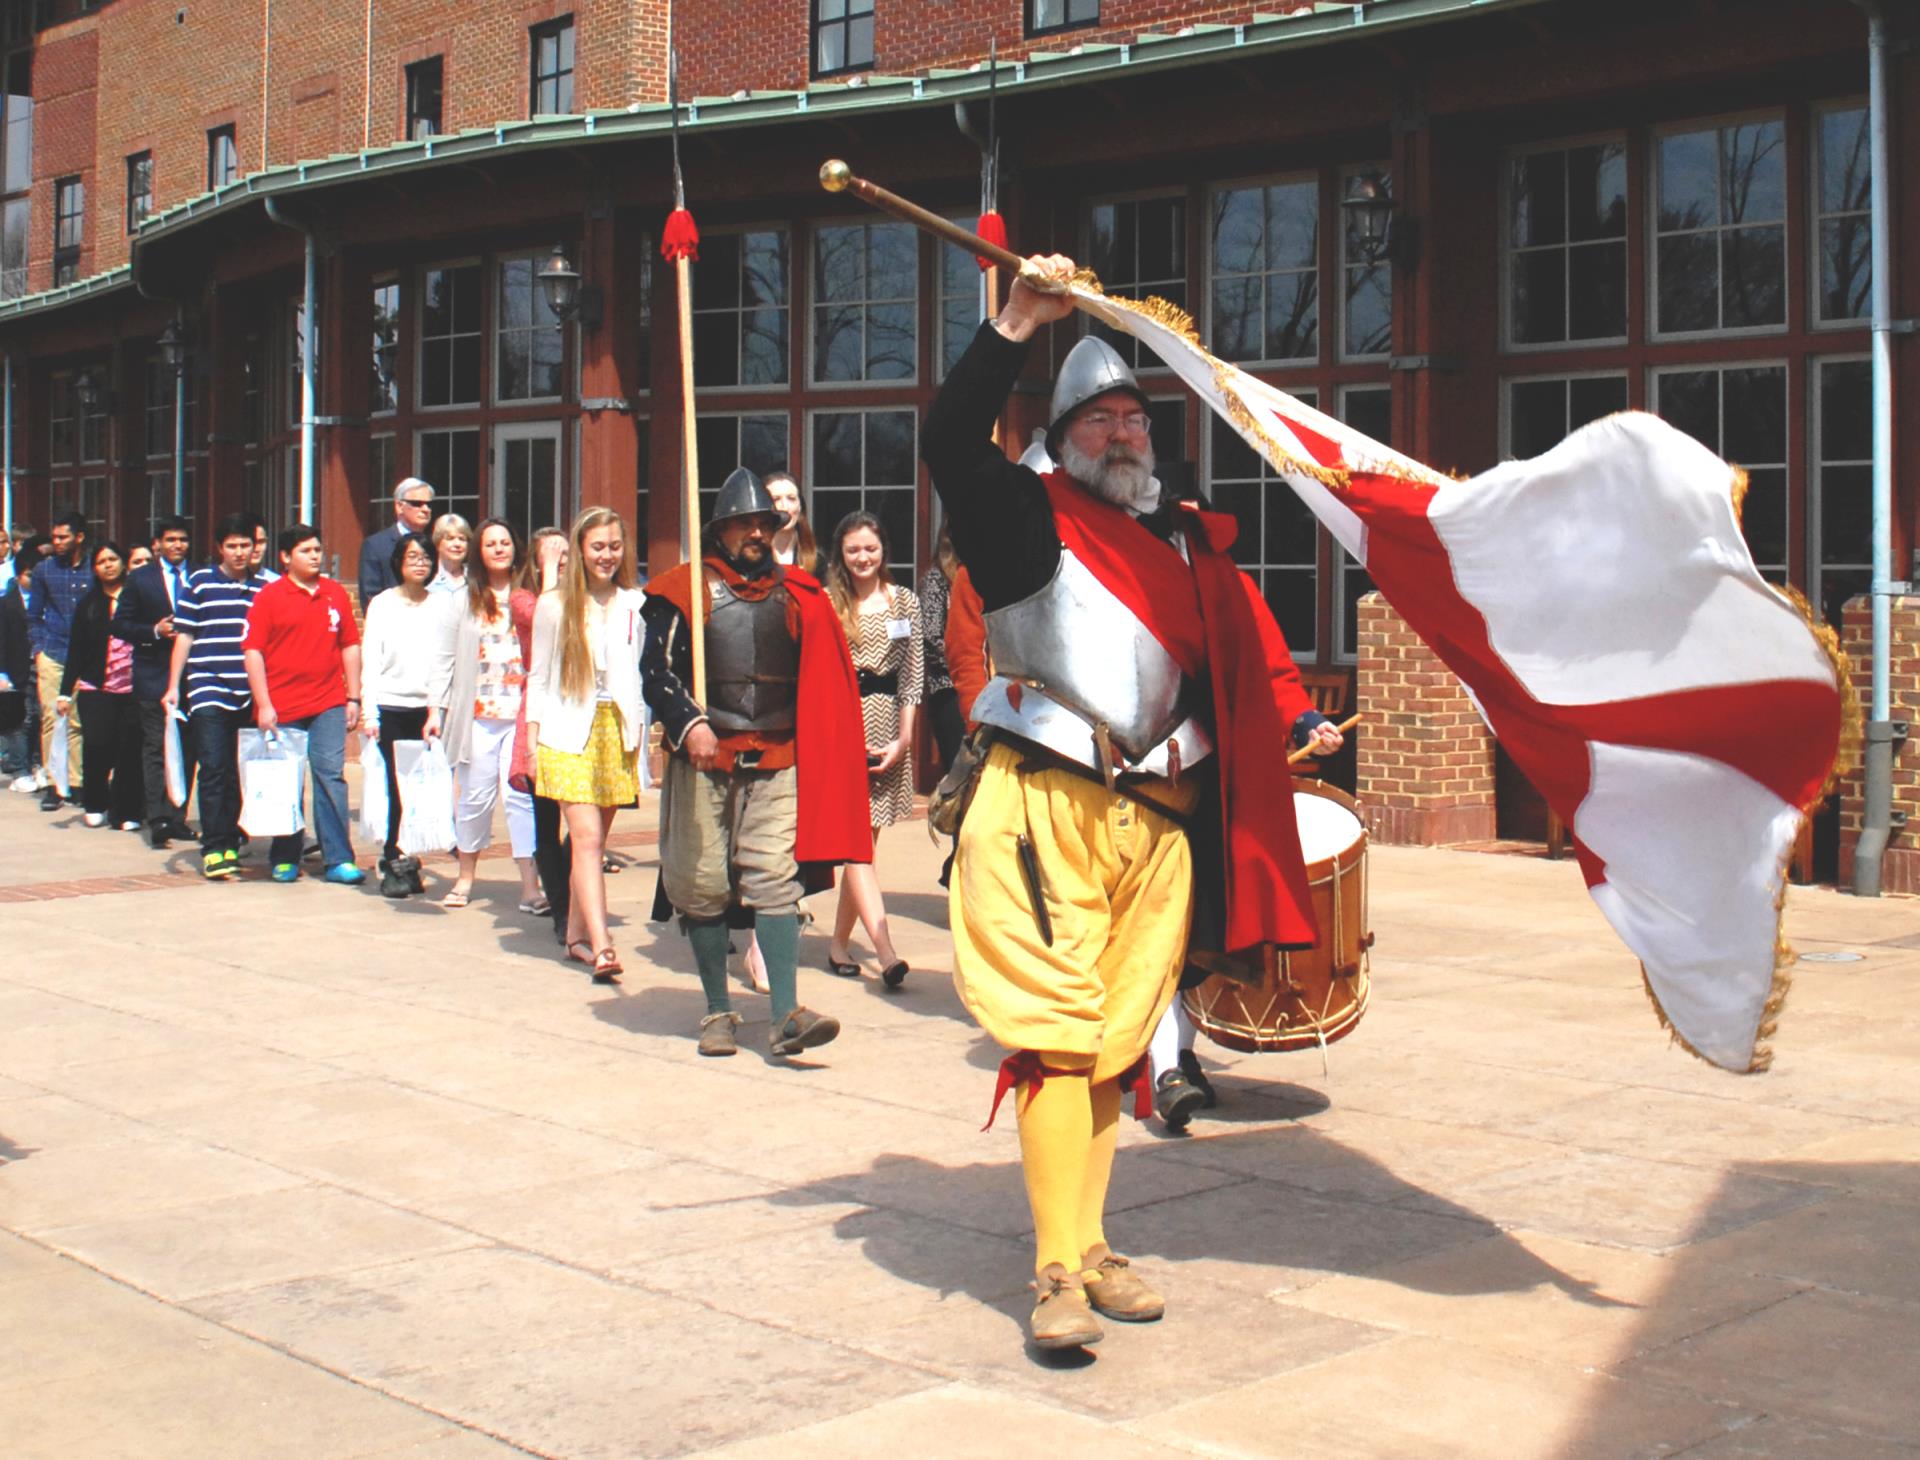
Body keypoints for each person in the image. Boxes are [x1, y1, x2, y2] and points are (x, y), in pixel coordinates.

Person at [922, 255, 1342, 1351]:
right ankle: (1055, 1265)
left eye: (1134, 419)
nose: (1122, 434)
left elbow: (1233, 677)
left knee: (1113, 1041)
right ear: (1062, 436)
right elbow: (949, 441)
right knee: (1058, 1038)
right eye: (1099, 419)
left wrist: (1278, 732)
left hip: (1157, 824)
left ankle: (1094, 1240)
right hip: (1044, 809)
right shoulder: (1021, 514)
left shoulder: (1189, 543)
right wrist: (1017, 321)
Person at [640, 468, 871, 1059]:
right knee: (705, 882)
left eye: (764, 524)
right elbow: (657, 673)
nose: (756, 534)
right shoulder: (682, 589)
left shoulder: (799, 594)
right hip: (704, 756)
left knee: (774, 878)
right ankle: (718, 1011)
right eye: (744, 524)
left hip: (777, 756)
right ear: (720, 529)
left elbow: (821, 677)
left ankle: (785, 1014)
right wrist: (689, 723)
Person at [527, 508, 644, 982]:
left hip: (617, 732)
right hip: (565, 731)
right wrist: (532, 744)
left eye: (615, 546)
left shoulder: (635, 603)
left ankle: (575, 935)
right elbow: (537, 678)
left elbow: (639, 674)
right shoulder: (554, 605)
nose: (607, 556)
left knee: (591, 844)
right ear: (579, 549)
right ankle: (602, 945)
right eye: (598, 546)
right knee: (588, 840)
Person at [822, 510, 920, 989]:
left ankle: (839, 944)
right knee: (856, 847)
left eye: (871, 548)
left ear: (884, 551)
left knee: (865, 846)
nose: (863, 558)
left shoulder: (905, 603)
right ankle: (885, 954)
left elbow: (912, 675)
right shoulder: (828, 603)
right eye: (853, 549)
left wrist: (905, 738)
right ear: (840, 553)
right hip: (842, 726)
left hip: (888, 729)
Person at [240, 524, 366, 885]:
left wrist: (353, 695)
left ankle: (338, 858)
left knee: (330, 777)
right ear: (285, 557)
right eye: (306, 551)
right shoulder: (269, 597)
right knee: (286, 781)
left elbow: (350, 646)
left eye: (317, 549)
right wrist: (264, 704)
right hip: (283, 707)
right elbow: (253, 652)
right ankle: (284, 856)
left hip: (328, 702)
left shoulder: (334, 594)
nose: (315, 556)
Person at [431, 518, 540, 912]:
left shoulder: (530, 598)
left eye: (505, 542)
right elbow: (443, 660)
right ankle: (465, 876)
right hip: (476, 715)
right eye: (490, 543)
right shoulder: (463, 599)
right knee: (474, 799)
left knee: (519, 797)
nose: (498, 549)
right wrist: (434, 711)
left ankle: (530, 887)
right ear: (480, 551)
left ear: (515, 549)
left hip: (520, 715)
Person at [164, 513, 268, 880]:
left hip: (250, 691)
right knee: (213, 767)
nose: (240, 552)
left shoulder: (264, 589)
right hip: (208, 687)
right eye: (232, 546)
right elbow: (185, 635)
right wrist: (174, 685)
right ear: (219, 548)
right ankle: (215, 847)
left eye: (246, 545)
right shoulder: (199, 583)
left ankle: (233, 835)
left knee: (241, 771)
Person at [358, 530, 440, 899]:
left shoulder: (440, 605)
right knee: (393, 790)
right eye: (412, 557)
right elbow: (371, 661)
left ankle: (410, 858)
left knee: (421, 792)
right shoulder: (382, 604)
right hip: (390, 706)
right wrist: (370, 712)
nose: (419, 563)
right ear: (398, 563)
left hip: (426, 711)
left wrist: (438, 708)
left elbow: (444, 663)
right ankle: (391, 859)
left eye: (425, 557)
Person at [112, 516, 198, 848]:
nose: (178, 545)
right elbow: (120, 625)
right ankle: (157, 816)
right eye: (171, 539)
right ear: (157, 544)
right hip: (153, 671)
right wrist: (153, 631)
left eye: (183, 539)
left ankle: (178, 814)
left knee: (188, 746)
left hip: (193, 674)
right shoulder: (140, 579)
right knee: (154, 745)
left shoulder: (200, 577)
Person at [57, 542, 145, 829]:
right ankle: (95, 802)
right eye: (101, 561)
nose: (108, 565)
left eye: (113, 559)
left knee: (129, 750)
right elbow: (76, 650)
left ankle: (127, 811)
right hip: (95, 687)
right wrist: (64, 692)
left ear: (123, 563)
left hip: (133, 687)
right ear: (94, 568)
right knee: (97, 745)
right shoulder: (88, 604)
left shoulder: (137, 599)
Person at [512, 527, 571, 938]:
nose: (562, 561)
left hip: (580, 714)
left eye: (566, 555)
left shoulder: (584, 599)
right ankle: (562, 910)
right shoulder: (524, 599)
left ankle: (574, 887)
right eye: (552, 555)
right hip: (539, 714)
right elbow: (541, 622)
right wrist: (550, 572)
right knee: (546, 821)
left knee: (588, 825)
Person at [29, 511, 93, 810]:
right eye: (54, 537)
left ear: (79, 537)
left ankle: (77, 782)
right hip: (53, 651)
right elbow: (34, 614)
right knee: (52, 717)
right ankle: (55, 783)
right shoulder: (44, 570)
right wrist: (39, 648)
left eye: (63, 537)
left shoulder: (95, 568)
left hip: (86, 656)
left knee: (79, 720)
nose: (57, 542)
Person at [0, 535, 40, 789]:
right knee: (19, 720)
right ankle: (19, 768)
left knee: (38, 716)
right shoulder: (6, 605)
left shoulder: (45, 602)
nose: (34, 582)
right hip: (16, 668)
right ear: (18, 577)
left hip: (40, 665)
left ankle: (36, 763)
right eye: (29, 577)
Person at [358, 477, 436, 607]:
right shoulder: (376, 546)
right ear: (399, 506)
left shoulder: (435, 543)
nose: (425, 509)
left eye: (429, 504)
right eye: (417, 503)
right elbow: (370, 597)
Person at [765, 470, 823, 576]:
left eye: (791, 499)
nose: (785, 507)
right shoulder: (753, 558)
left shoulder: (818, 562)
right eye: (776, 499)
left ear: (800, 506)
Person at [428, 514, 471, 595]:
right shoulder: (428, 578)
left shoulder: (475, 578)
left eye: (462, 539)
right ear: (438, 543)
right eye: (450, 538)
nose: (457, 544)